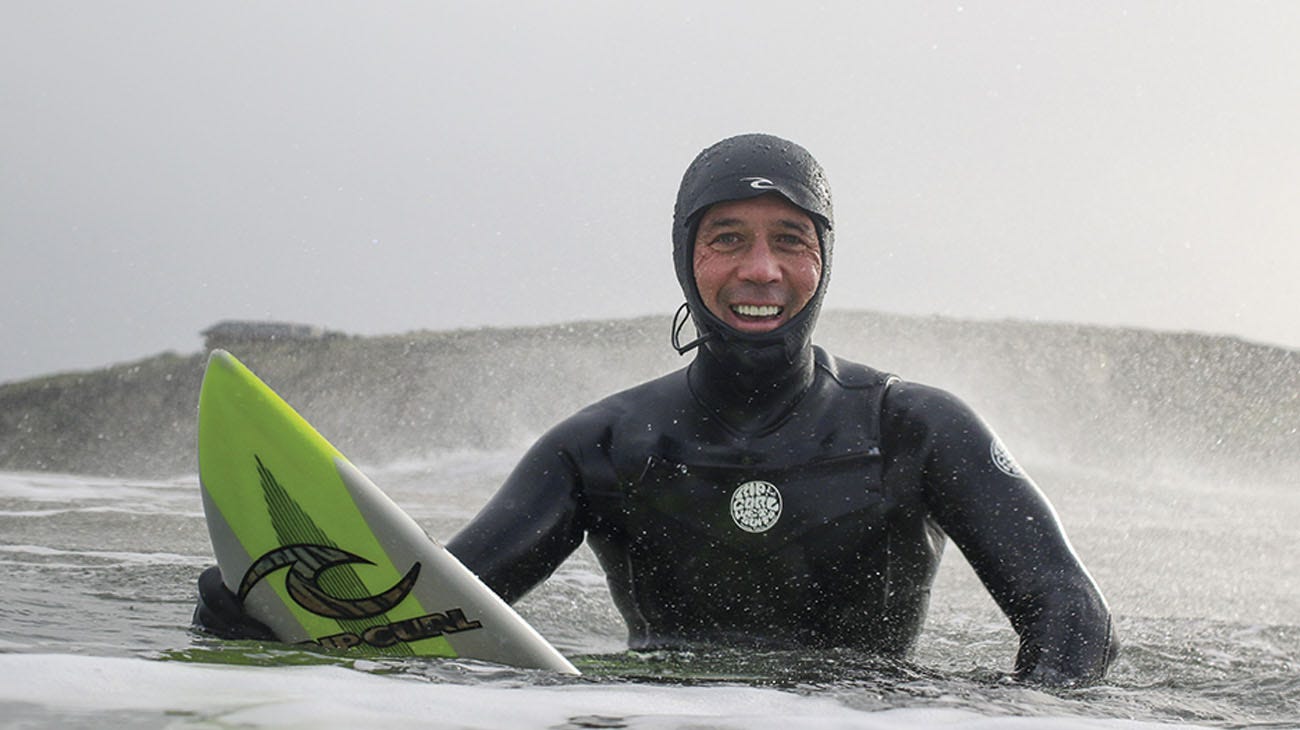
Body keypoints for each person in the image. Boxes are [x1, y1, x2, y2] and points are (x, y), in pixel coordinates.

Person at [195, 133, 1119, 685]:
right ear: (687, 260)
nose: (760, 270)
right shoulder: (601, 448)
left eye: (789, 242)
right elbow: (437, 615)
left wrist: (1029, 712)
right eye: (727, 241)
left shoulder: (911, 428)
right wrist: (259, 618)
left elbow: (1070, 612)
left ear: (823, 261)